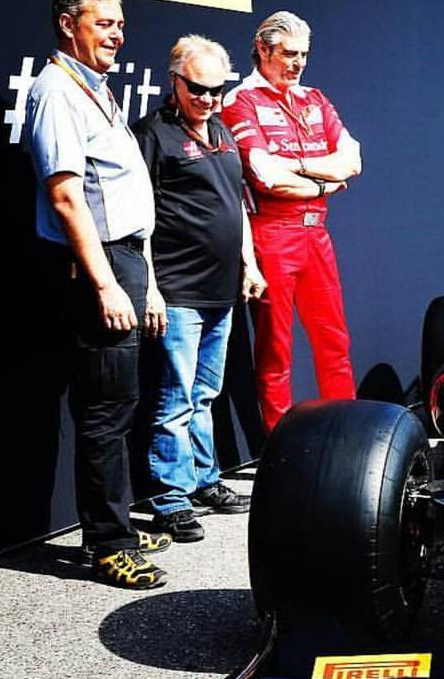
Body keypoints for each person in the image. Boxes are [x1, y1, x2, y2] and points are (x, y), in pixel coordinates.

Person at [24, 0, 170, 589]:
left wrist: (147, 282)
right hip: (98, 267)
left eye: (120, 24)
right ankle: (110, 545)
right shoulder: (56, 90)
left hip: (126, 259)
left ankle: (116, 527)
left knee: (118, 403)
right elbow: (66, 198)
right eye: (103, 23)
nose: (117, 34)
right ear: (68, 24)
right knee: (105, 411)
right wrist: (107, 283)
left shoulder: (96, 87)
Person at [133, 36, 265, 543]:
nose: (208, 98)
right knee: (175, 399)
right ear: (175, 81)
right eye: (198, 89)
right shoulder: (153, 134)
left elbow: (236, 206)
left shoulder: (223, 131)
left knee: (205, 394)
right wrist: (150, 288)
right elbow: (138, 220)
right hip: (178, 289)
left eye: (216, 89)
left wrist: (249, 265)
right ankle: (171, 498)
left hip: (222, 290)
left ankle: (205, 480)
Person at [222, 11, 361, 433]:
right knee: (276, 348)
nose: (298, 63)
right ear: (263, 50)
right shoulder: (241, 100)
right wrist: (324, 180)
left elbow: (352, 160)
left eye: (303, 55)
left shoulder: (314, 98)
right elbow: (266, 175)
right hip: (272, 234)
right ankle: (279, 444)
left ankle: (346, 434)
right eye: (288, 54)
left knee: (334, 339)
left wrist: (297, 166)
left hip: (316, 232)